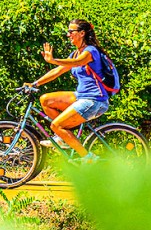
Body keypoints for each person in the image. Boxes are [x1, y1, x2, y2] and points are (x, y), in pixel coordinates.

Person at [28, 19, 109, 164]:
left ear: (82, 33)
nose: (68, 35)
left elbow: (77, 63)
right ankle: (63, 137)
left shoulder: (90, 51)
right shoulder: (75, 53)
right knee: (45, 100)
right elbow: (58, 71)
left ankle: (88, 158)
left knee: (56, 125)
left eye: (71, 32)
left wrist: (54, 60)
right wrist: (34, 84)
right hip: (81, 96)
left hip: (94, 100)